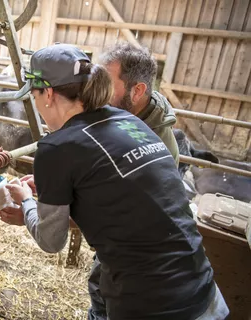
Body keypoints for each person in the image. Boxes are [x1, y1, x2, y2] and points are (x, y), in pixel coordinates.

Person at [0, 43, 229, 319]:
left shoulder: (56, 147)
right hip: (204, 291)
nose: (36, 105)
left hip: (150, 305)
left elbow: (51, 241)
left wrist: (27, 203)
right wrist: (55, 189)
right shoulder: (129, 121)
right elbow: (116, 199)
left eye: (34, 97)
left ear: (47, 94)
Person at [86, 42, 183, 318]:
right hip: (116, 239)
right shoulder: (123, 115)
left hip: (134, 248)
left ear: (137, 91)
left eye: (107, 82)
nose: (99, 90)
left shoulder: (155, 145)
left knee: (106, 295)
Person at [99, 42, 180, 166]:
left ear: (137, 91)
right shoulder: (119, 113)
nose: (99, 92)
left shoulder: (157, 152)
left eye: (108, 85)